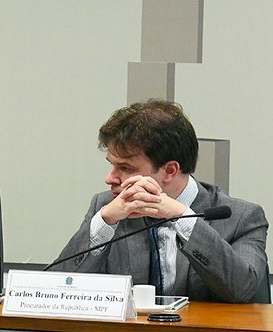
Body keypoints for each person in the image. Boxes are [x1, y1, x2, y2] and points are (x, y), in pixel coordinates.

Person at [52, 99, 268, 303]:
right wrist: (105, 222)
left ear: (170, 170)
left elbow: (242, 290)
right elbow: (58, 290)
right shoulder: (107, 207)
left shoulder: (242, 218)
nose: (110, 179)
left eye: (125, 168)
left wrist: (182, 218)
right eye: (112, 165)